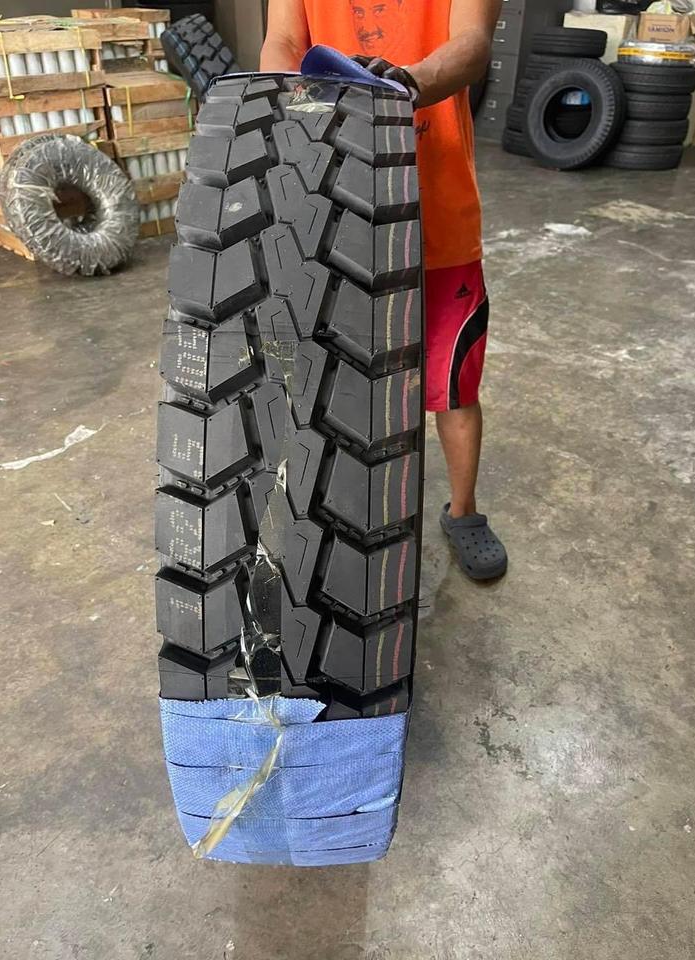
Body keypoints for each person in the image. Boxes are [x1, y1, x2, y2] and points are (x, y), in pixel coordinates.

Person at [261, 0, 508, 581]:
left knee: (453, 381)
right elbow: (282, 43)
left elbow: (473, 43)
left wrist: (404, 86)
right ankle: (339, 514)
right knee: (335, 381)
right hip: (333, 204)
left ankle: (463, 513)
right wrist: (303, 97)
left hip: (440, 217)